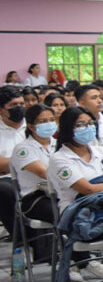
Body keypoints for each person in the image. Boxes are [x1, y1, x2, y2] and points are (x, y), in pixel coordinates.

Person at [46, 106, 103, 282]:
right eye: (80, 125)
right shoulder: (59, 158)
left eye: (90, 123)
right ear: (68, 128)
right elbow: (87, 189)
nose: (87, 128)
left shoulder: (102, 152)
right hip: (78, 216)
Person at [10, 104, 58, 260]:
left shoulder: (61, 145)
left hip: (61, 193)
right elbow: (45, 173)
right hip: (35, 199)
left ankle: (79, 257)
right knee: (66, 212)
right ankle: (76, 260)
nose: (49, 124)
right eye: (43, 121)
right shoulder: (23, 149)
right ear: (31, 126)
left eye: (51, 120)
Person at [0, 85, 28, 238]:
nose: (19, 108)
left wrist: (12, 163)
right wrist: (28, 162)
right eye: (13, 105)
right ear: (1, 109)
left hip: (37, 175)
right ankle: (20, 236)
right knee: (4, 190)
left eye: (21, 104)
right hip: (7, 179)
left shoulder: (34, 126)